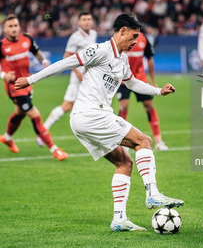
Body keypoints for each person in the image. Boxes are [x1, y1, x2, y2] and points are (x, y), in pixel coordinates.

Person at [15, 13, 184, 231]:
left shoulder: (122, 59)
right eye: (133, 36)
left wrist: (158, 91)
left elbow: (132, 83)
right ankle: (153, 194)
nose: (135, 42)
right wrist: (31, 79)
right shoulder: (100, 50)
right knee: (144, 141)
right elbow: (65, 63)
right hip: (92, 114)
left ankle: (119, 219)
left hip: (84, 120)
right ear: (122, 31)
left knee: (124, 163)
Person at [0, 14, 68, 161]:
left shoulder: (27, 39)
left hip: (27, 83)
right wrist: (4, 75)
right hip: (14, 87)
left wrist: (44, 61)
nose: (13, 28)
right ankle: (54, 149)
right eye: (10, 26)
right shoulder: (1, 46)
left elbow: (36, 52)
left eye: (16, 25)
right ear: (5, 29)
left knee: (20, 112)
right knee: (34, 114)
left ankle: (7, 137)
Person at [36, 12, 97, 146]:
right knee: (67, 106)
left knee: (93, 106)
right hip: (78, 79)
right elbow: (66, 57)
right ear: (79, 22)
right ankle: (43, 131)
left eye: (89, 19)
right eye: (84, 19)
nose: (87, 22)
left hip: (89, 78)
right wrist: (77, 72)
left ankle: (95, 137)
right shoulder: (75, 38)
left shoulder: (93, 34)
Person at [117, 31, 168, 151]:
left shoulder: (143, 39)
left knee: (149, 106)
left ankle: (159, 141)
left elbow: (150, 58)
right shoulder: (120, 39)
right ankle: (122, 142)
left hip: (140, 79)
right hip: (123, 80)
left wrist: (153, 81)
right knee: (123, 107)